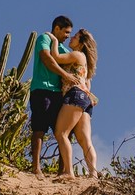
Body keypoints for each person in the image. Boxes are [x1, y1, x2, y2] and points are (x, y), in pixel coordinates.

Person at [28, 15, 78, 176]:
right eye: (66, 32)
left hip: (58, 94)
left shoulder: (62, 48)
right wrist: (65, 74)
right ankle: (36, 168)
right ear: (57, 28)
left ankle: (62, 171)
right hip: (41, 90)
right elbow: (47, 59)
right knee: (39, 129)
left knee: (65, 132)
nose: (67, 36)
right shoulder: (44, 38)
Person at [51, 28, 98, 179]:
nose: (71, 38)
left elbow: (56, 57)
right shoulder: (86, 64)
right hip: (85, 98)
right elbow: (88, 85)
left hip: (75, 95)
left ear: (82, 43)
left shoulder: (77, 54)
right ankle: (93, 173)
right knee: (85, 140)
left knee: (61, 133)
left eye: (75, 37)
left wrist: (54, 40)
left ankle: (68, 172)